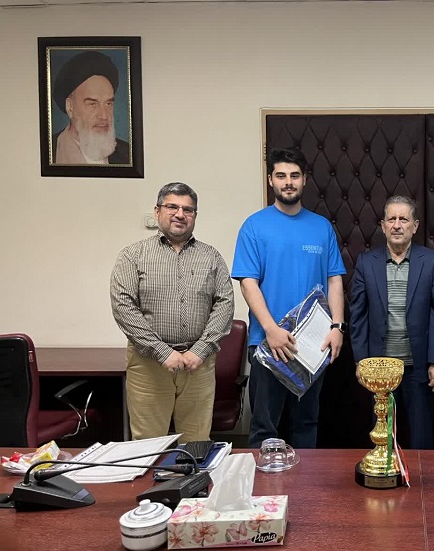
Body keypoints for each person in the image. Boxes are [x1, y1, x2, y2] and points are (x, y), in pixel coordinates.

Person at [232, 147, 346, 449]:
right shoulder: (254, 226)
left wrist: (337, 327)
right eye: (281, 175)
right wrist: (271, 329)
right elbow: (248, 283)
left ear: (304, 179)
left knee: (306, 424)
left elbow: (334, 279)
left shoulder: (321, 227)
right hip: (268, 343)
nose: (288, 182)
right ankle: (264, 483)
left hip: (312, 344)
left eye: (294, 175)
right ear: (271, 180)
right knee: (265, 428)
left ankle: (304, 482)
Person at [111, 182, 234, 442]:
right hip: (149, 364)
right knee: (147, 444)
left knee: (196, 443)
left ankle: (192, 474)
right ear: (157, 211)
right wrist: (162, 351)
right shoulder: (133, 255)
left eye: (188, 209)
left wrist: (200, 350)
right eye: (172, 207)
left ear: (195, 216)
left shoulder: (211, 257)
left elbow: (225, 304)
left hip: (198, 364)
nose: (180, 214)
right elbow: (123, 306)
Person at [350, 195, 434, 449]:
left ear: (414, 226)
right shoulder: (366, 263)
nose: (397, 225)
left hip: (418, 367)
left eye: (403, 219)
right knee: (382, 438)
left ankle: (419, 476)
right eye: (391, 219)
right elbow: (358, 316)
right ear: (383, 225)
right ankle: (384, 473)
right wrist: (361, 361)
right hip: (380, 368)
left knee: (421, 439)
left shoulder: (432, 261)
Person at [52, 50, 130, 165]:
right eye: (93, 104)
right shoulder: (51, 151)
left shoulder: (127, 153)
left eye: (108, 104)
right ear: (70, 107)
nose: (104, 116)